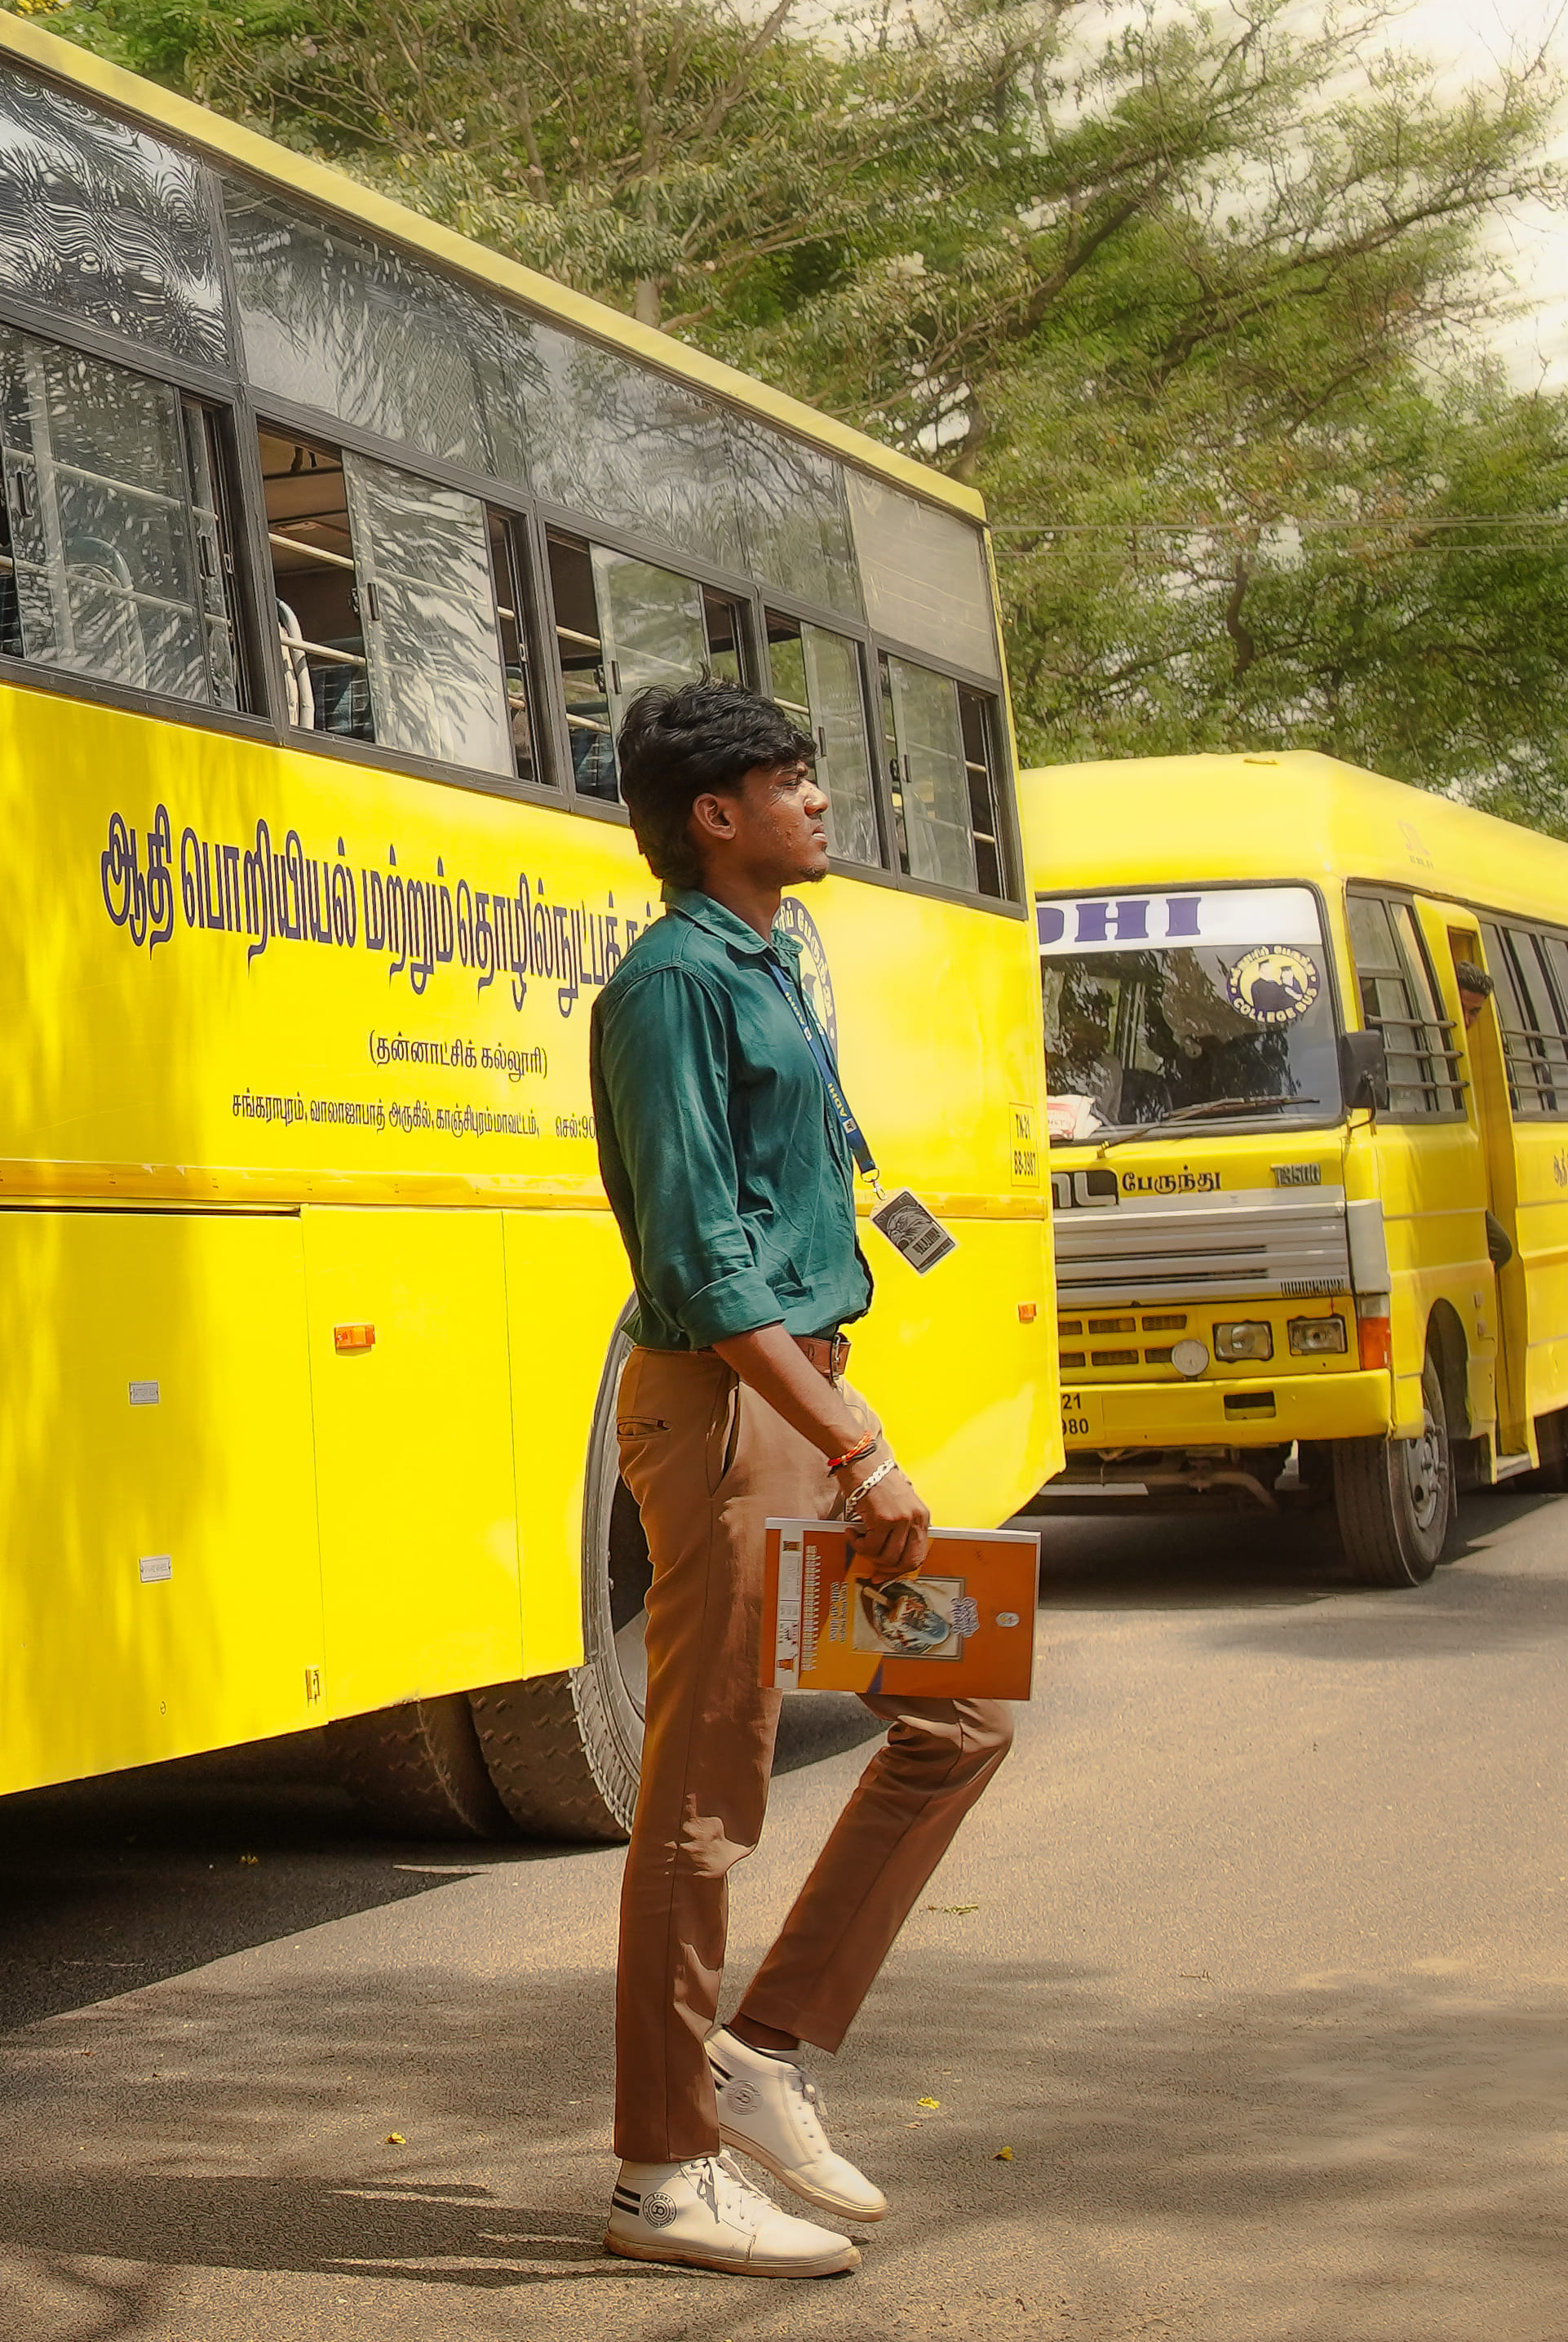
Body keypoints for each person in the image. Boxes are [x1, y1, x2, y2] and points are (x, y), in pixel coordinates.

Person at [587, 678, 1015, 2278]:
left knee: (963, 1709)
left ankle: (760, 2050)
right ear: (715, 814)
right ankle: (660, 2167)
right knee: (704, 1797)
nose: (819, 798)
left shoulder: (768, 959)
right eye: (789, 778)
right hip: (731, 1418)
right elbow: (700, 1261)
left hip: (807, 1395)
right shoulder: (669, 986)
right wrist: (853, 1443)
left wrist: (844, 1413)